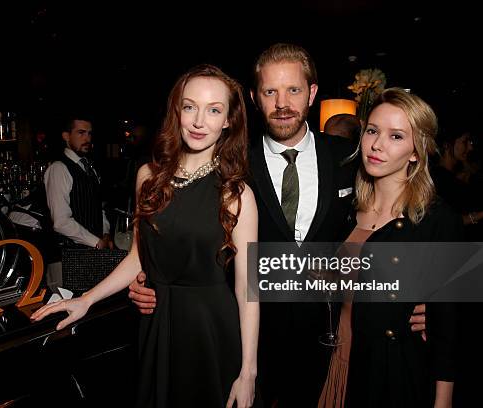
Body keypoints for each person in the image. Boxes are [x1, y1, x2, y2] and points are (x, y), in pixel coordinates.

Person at [128, 43, 428, 407]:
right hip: (246, 339)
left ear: (312, 94)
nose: (282, 103)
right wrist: (148, 280)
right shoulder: (228, 167)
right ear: (254, 98)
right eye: (271, 92)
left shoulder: (349, 158)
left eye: (294, 90)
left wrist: (429, 295)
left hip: (329, 338)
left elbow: (397, 217)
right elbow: (180, 230)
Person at [32, 64, 260, 408]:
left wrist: (248, 372)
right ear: (177, 111)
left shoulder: (236, 193)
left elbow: (248, 288)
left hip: (210, 329)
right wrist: (86, 299)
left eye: (214, 110)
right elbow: (139, 255)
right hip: (157, 325)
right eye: (189, 106)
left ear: (228, 120)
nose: (199, 121)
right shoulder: (147, 177)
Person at [328, 88, 459, 408]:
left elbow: (450, 333)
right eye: (372, 131)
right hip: (334, 363)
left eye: (396, 136)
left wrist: (442, 402)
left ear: (416, 151)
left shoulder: (436, 221)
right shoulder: (342, 209)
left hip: (390, 374)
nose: (377, 145)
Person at [43, 116, 113, 291]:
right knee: (65, 313)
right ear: (66, 136)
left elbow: (99, 207)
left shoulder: (90, 167)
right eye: (81, 133)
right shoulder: (59, 169)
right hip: (66, 258)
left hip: (92, 255)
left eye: (89, 134)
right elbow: (60, 222)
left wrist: (105, 233)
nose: (87, 139)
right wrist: (96, 242)